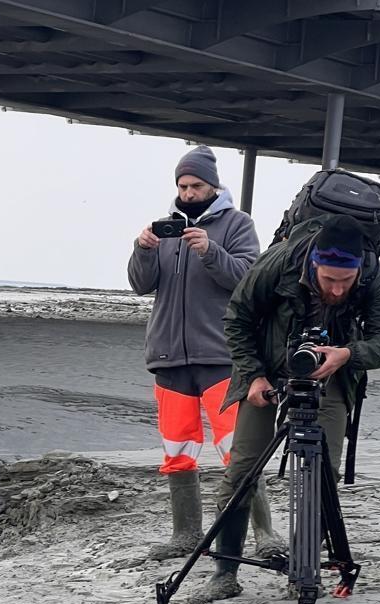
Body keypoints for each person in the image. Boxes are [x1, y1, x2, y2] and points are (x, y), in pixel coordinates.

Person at [189, 213, 380, 604]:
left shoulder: (374, 276)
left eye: (345, 282)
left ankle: (304, 570)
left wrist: (348, 353)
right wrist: (255, 375)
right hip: (267, 374)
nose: (337, 289)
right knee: (242, 471)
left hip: (331, 374)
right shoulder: (279, 262)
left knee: (320, 472)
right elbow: (237, 318)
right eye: (329, 280)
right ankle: (224, 573)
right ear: (313, 263)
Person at [128, 146, 279, 559]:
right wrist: (142, 248)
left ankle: (264, 534)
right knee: (176, 451)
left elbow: (248, 279)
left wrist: (211, 251)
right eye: (182, 185)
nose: (189, 192)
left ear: (213, 185)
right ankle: (185, 535)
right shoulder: (164, 229)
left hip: (221, 356)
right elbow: (140, 285)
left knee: (239, 451)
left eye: (196, 185)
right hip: (169, 357)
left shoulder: (237, 224)